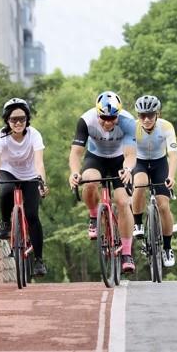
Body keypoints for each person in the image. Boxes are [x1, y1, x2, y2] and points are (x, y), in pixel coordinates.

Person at [67, 91, 138, 273]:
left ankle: (127, 253)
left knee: (123, 202)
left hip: (119, 160)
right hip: (95, 157)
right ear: (97, 113)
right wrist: (75, 172)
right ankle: (93, 215)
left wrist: (128, 170)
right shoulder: (86, 120)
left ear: (118, 114)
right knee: (90, 181)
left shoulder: (129, 122)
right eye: (104, 118)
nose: (108, 122)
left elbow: (130, 155)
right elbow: (76, 153)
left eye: (112, 118)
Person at [0, 97, 49, 277]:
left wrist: (41, 182)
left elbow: (39, 162)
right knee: (6, 189)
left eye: (22, 118)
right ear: (7, 120)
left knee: (32, 216)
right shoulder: (1, 136)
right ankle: (6, 222)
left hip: (30, 175)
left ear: (27, 119)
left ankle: (38, 260)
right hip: (8, 172)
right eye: (14, 119)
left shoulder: (34, 135)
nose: (18, 123)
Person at [131, 94, 177, 267]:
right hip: (140, 162)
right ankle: (137, 223)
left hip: (160, 163)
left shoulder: (166, 127)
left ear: (157, 113)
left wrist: (171, 176)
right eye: (142, 115)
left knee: (164, 206)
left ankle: (167, 247)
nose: (146, 119)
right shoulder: (133, 128)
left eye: (150, 115)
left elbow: (173, 156)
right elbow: (127, 153)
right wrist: (128, 170)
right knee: (140, 183)